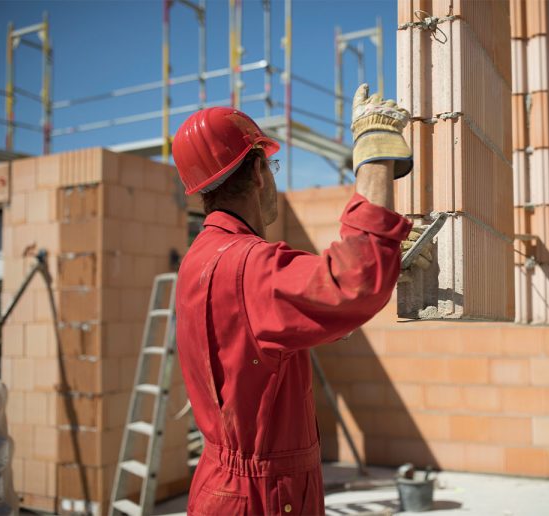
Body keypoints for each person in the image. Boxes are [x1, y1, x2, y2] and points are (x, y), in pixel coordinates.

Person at [171, 84, 426, 515]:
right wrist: (375, 153)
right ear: (257, 172)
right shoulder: (247, 265)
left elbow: (260, 339)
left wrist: (382, 253)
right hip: (262, 497)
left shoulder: (204, 256)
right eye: (270, 166)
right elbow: (352, 284)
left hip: (223, 487)